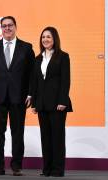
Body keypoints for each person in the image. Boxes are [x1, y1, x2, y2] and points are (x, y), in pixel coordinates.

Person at [0, 16, 35, 176]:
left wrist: (30, 93)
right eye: (4, 26)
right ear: (1, 28)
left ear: (15, 27)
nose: (7, 28)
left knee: (17, 132)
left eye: (10, 25)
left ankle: (16, 166)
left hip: (19, 97)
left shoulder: (27, 48)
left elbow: (31, 74)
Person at [31, 26, 72, 177]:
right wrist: (34, 103)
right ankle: (47, 169)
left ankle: (57, 169)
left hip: (57, 104)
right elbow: (35, 82)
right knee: (46, 138)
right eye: (43, 37)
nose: (45, 40)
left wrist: (63, 101)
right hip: (41, 104)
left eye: (48, 37)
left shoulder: (63, 56)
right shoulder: (37, 58)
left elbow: (65, 81)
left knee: (57, 138)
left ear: (54, 39)